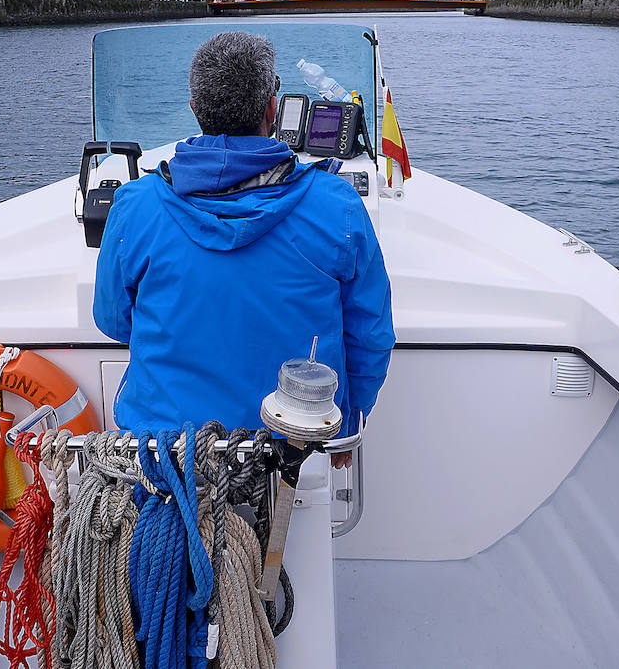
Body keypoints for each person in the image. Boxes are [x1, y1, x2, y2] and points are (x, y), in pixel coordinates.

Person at [92, 30, 394, 460]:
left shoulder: (135, 207)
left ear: (195, 108)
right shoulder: (337, 207)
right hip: (296, 446)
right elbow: (371, 336)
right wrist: (346, 425)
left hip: (165, 455)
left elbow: (114, 323)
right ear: (273, 108)